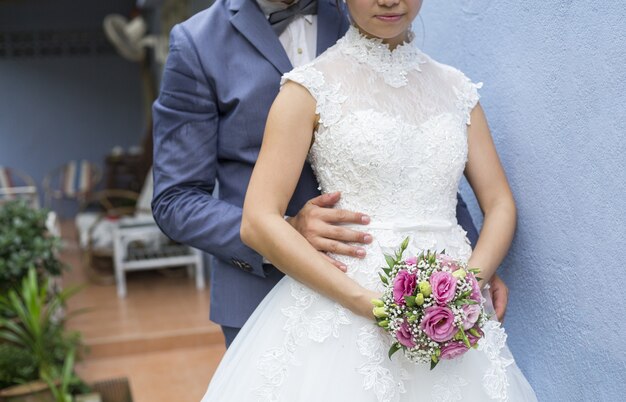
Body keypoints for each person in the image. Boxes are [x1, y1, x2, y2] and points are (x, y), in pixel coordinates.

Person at [200, 0, 538, 399]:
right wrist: (367, 304)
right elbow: (258, 221)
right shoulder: (308, 88)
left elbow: (499, 202)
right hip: (346, 306)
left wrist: (466, 285)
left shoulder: (457, 89)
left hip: (449, 315)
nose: (389, 0)